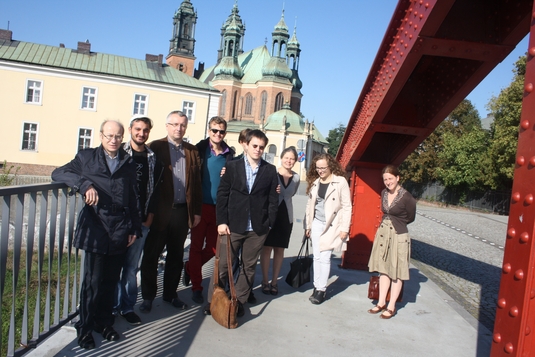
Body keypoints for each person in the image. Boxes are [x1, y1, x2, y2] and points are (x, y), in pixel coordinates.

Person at [51, 120, 142, 350]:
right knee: (92, 282)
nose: (113, 140)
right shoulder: (87, 157)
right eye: (109, 135)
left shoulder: (128, 162)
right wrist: (84, 185)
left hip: (120, 228)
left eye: (118, 136)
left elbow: (133, 199)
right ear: (101, 136)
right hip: (96, 227)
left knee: (111, 281)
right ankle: (85, 328)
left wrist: (134, 228)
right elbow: (58, 173)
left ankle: (104, 323)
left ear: (123, 137)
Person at [204, 129, 279, 316]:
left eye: (261, 147)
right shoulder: (232, 166)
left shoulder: (269, 170)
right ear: (246, 145)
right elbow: (222, 196)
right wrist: (221, 222)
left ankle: (239, 301)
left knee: (248, 267)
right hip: (232, 226)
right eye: (255, 146)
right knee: (222, 266)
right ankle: (214, 300)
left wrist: (269, 224)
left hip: (257, 229)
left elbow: (272, 200)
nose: (258, 150)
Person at [139, 110, 202, 312]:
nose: (179, 128)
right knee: (151, 255)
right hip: (159, 212)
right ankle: (148, 297)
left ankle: (170, 294)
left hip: (182, 213)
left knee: (176, 256)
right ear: (167, 126)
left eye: (182, 125)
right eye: (174, 124)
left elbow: (197, 184)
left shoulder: (192, 151)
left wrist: (197, 211)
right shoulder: (155, 147)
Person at [113, 115, 162, 325]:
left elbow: (155, 189)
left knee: (132, 268)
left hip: (141, 221)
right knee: (115, 266)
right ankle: (112, 307)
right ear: (131, 130)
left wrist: (149, 216)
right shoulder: (118, 152)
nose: (141, 133)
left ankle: (127, 307)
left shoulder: (152, 157)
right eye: (137, 129)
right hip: (118, 221)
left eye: (145, 130)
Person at [183, 116, 234, 304]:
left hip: (219, 208)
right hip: (199, 206)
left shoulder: (229, 154)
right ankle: (196, 286)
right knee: (196, 247)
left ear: (225, 133)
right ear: (209, 131)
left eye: (221, 131)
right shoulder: (199, 150)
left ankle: (189, 268)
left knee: (213, 249)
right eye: (214, 130)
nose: (218, 134)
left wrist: (229, 172)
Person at [367, 165, 416, 319]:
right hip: (383, 234)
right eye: (385, 179)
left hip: (399, 235)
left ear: (398, 178)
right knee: (383, 269)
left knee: (396, 272)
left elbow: (410, 217)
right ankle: (381, 302)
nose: (388, 182)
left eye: (390, 178)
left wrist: (397, 225)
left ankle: (391, 305)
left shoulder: (407, 197)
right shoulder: (383, 193)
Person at [304, 153, 352, 305]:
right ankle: (316, 286)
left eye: (323, 168)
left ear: (330, 166)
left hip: (332, 225)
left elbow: (347, 206)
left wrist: (345, 228)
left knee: (325, 258)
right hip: (317, 223)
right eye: (318, 168)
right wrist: (308, 225)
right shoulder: (315, 182)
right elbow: (309, 205)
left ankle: (322, 290)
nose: (320, 171)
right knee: (316, 257)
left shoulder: (340, 182)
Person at [260, 147, 300, 295]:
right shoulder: (272, 173)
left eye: (292, 159)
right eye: (286, 157)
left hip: (286, 217)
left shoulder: (296, 178)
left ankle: (274, 282)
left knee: (279, 250)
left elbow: (292, 193)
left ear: (295, 161)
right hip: (271, 214)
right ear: (281, 158)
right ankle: (265, 281)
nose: (289, 161)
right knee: (266, 249)